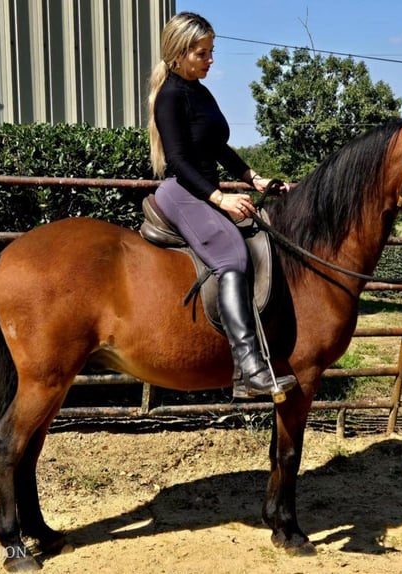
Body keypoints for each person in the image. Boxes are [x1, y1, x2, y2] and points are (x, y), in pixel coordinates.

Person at [147, 11, 297, 401]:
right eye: (202, 53)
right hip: (182, 191)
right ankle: (249, 369)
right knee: (231, 257)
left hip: (204, 189)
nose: (210, 60)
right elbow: (177, 160)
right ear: (179, 54)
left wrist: (253, 178)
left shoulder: (199, 90)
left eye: (211, 51)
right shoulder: (170, 96)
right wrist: (219, 198)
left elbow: (217, 146)